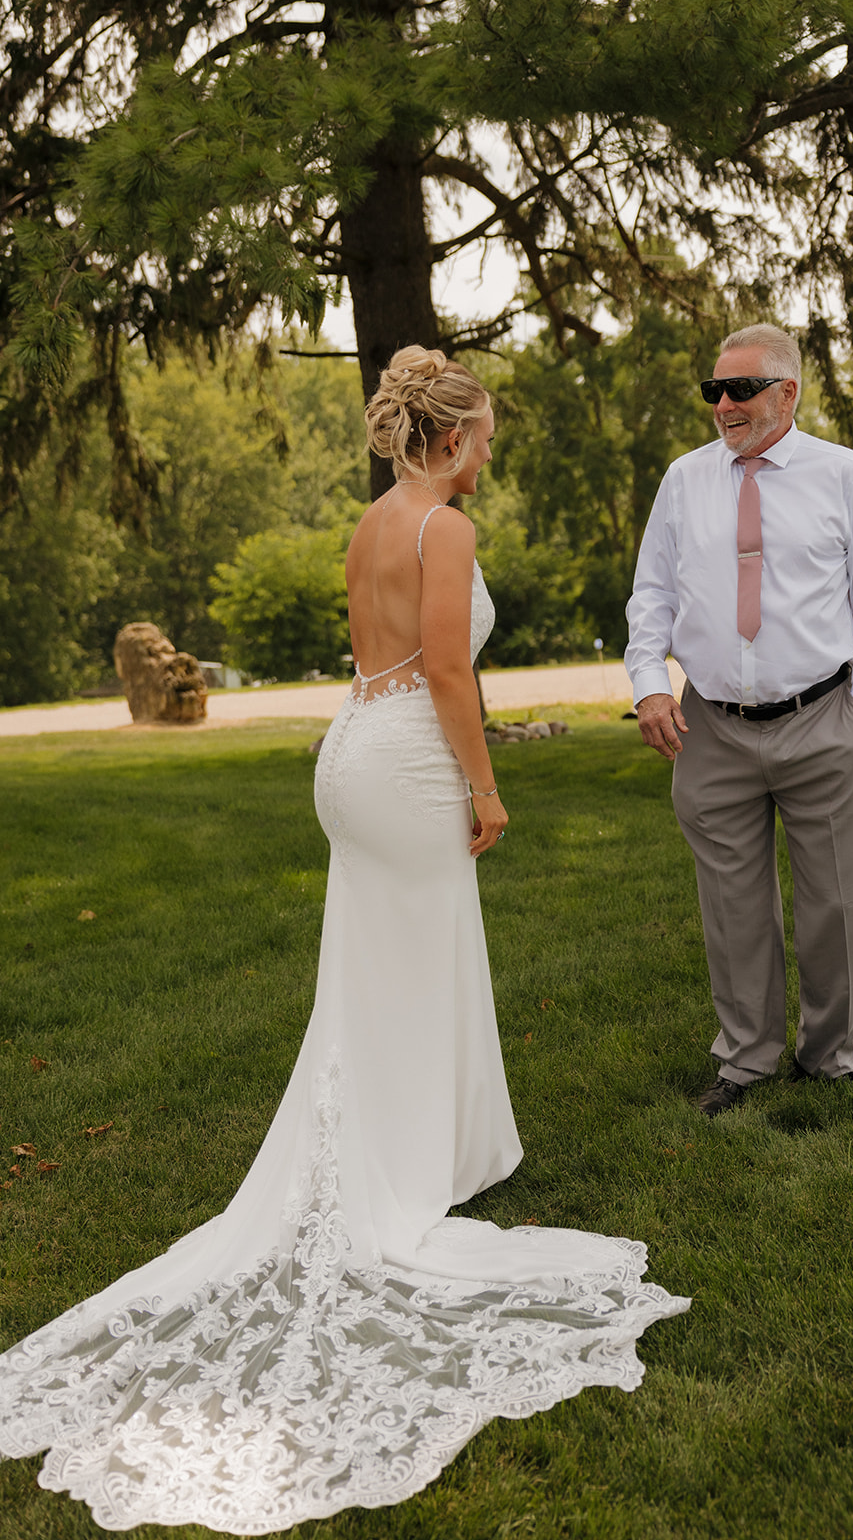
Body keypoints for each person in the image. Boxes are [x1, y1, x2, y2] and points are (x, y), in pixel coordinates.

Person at [0, 346, 687, 1531]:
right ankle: (403, 1177)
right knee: (411, 970)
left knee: (385, 973)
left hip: (351, 752)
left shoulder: (374, 520)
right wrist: (484, 788)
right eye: (488, 434)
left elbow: (387, 656)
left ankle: (417, 1152)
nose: (492, 449)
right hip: (414, 756)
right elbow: (452, 673)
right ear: (456, 435)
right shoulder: (447, 531)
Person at [625, 323, 853, 1117]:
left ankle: (828, 1059)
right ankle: (744, 1061)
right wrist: (649, 686)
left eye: (740, 389)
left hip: (824, 716)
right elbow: (653, 597)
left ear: (787, 393)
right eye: (713, 390)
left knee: (833, 904)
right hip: (710, 724)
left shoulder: (845, 476)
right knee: (732, 906)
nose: (723, 405)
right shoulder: (682, 482)